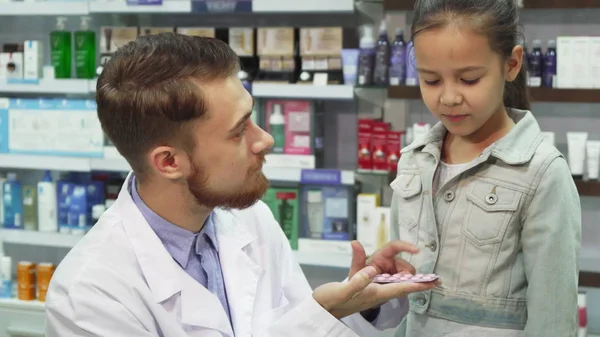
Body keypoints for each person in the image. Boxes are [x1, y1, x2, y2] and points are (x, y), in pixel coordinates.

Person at [44, 33, 436, 337]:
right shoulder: (91, 294)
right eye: (238, 131)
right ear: (169, 162)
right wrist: (319, 314)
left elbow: (299, 324)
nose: (265, 139)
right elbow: (302, 326)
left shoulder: (251, 221)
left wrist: (356, 303)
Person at [359, 0, 582, 336]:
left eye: (469, 79)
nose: (448, 97)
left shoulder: (541, 171)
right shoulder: (413, 162)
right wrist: (373, 287)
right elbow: (405, 308)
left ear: (511, 64)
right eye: (431, 81)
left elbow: (553, 317)